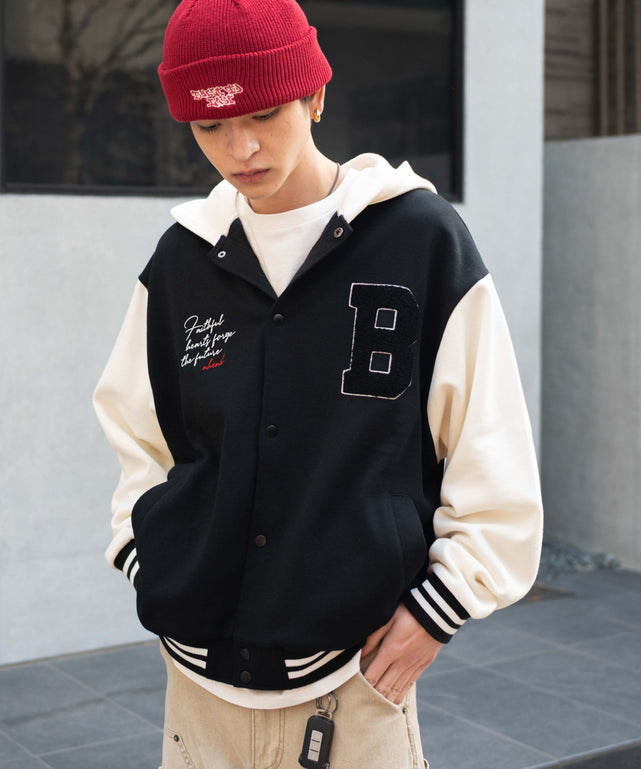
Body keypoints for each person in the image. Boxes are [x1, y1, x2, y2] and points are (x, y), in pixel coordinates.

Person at [93, 1, 543, 767]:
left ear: (315, 96)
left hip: (354, 687)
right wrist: (149, 559)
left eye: (262, 114)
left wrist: (438, 610)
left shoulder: (419, 240)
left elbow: (488, 446)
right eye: (210, 125)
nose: (239, 147)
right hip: (197, 692)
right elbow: (136, 437)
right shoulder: (181, 260)